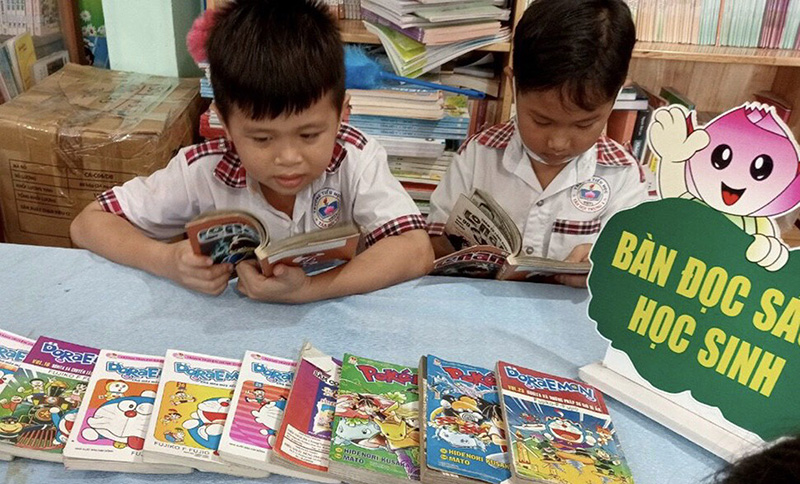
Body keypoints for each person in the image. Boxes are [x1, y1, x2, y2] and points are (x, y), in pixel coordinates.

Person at [70, 0, 433, 303]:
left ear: (343, 116)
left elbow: (416, 250)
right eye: (262, 139)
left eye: (309, 135)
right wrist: (164, 259)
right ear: (224, 125)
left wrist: (310, 289)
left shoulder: (357, 159)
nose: (288, 157)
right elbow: (88, 224)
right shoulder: (202, 170)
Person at [426, 0, 648, 287]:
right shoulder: (479, 155)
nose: (557, 142)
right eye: (541, 121)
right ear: (513, 85)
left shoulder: (624, 176)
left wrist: (603, 268)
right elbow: (434, 244)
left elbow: (635, 275)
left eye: (584, 124)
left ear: (617, 96)